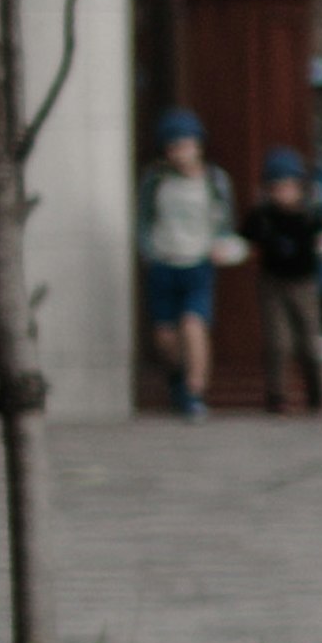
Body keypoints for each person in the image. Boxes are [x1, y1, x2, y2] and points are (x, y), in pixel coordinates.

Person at [138, 108, 234, 423]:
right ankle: (178, 378)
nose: (180, 153)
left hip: (198, 262)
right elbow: (144, 219)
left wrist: (220, 245)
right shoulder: (155, 180)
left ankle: (195, 391)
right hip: (165, 262)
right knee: (165, 337)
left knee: (194, 325)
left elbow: (223, 220)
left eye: (185, 145)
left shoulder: (214, 180)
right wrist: (148, 250)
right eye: (173, 147)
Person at [243, 147, 322, 416]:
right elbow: (244, 239)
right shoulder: (262, 216)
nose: (283, 193)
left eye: (288, 186)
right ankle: (277, 396)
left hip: (305, 283)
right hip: (273, 283)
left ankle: (317, 394)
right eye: (277, 187)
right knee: (278, 342)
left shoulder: (310, 215)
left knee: (309, 341)